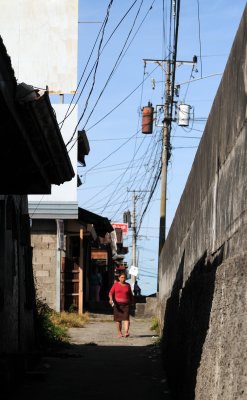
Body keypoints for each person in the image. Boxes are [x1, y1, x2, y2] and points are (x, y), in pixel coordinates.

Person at [109, 271, 134, 337]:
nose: (123, 279)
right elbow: (111, 293)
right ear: (119, 278)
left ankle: (126, 332)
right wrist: (111, 299)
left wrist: (132, 302)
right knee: (118, 319)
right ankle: (119, 332)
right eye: (122, 277)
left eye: (124, 277)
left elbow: (130, 294)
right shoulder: (115, 285)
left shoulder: (128, 285)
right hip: (117, 305)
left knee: (126, 318)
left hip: (126, 305)